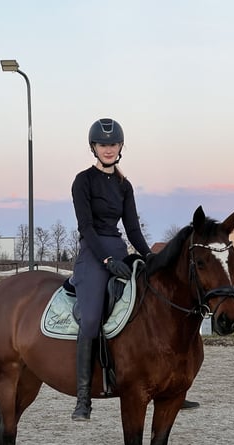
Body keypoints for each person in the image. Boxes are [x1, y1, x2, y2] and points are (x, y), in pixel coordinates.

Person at [70, 118, 152, 421]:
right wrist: (106, 261)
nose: (108, 149)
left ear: (120, 148)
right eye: (103, 144)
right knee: (91, 318)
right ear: (94, 147)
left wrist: (150, 256)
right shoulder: (83, 181)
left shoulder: (124, 185)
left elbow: (132, 229)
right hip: (93, 255)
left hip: (120, 251)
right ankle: (82, 399)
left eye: (113, 144)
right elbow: (86, 227)